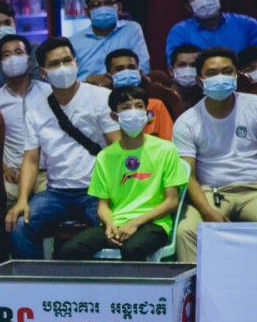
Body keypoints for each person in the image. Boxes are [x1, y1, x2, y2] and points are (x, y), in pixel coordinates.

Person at [6, 38, 120, 258]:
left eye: (67, 60)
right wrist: (22, 200)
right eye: (54, 64)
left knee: (114, 227)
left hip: (97, 192)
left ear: (76, 63)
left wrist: (110, 196)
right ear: (43, 73)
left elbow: (117, 148)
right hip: (57, 193)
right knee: (19, 224)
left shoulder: (101, 98)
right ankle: (35, 277)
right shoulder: (35, 109)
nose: (63, 68)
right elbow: (31, 159)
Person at [56, 85, 187, 260]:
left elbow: (171, 201)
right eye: (126, 107)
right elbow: (102, 205)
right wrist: (109, 224)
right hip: (117, 224)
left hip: (153, 223)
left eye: (139, 106)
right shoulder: (105, 156)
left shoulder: (166, 149)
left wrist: (135, 223)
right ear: (114, 116)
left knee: (132, 249)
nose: (133, 112)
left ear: (146, 112)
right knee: (70, 249)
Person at [172, 47, 257, 263]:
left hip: (254, 190)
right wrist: (206, 211)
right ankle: (194, 285)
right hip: (212, 192)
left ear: (237, 75)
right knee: (186, 231)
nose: (220, 77)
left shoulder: (254, 107)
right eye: (212, 73)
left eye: (227, 71)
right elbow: (189, 176)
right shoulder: (187, 122)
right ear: (200, 81)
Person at [0, 35, 52, 205]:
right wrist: (3, 168)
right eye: (6, 55)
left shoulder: (50, 93)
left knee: (46, 205)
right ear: (1, 63)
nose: (13, 59)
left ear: (29, 60)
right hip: (13, 174)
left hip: (48, 173)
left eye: (18, 52)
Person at [69, 0, 151, 80]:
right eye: (96, 5)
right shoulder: (74, 42)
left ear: (119, 8)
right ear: (87, 12)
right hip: (89, 88)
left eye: (108, 3)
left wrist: (114, 81)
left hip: (126, 86)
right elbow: (70, 80)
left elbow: (143, 69)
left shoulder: (131, 30)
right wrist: (89, 81)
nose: (102, 9)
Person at [164, 0, 257, 60]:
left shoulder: (248, 25)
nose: (204, 0)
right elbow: (178, 66)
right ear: (188, 6)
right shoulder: (180, 32)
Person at [103, 49, 173, 140]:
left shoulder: (156, 105)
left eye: (131, 67)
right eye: (120, 69)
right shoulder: (103, 107)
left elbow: (169, 140)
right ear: (109, 76)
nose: (127, 73)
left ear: (140, 73)